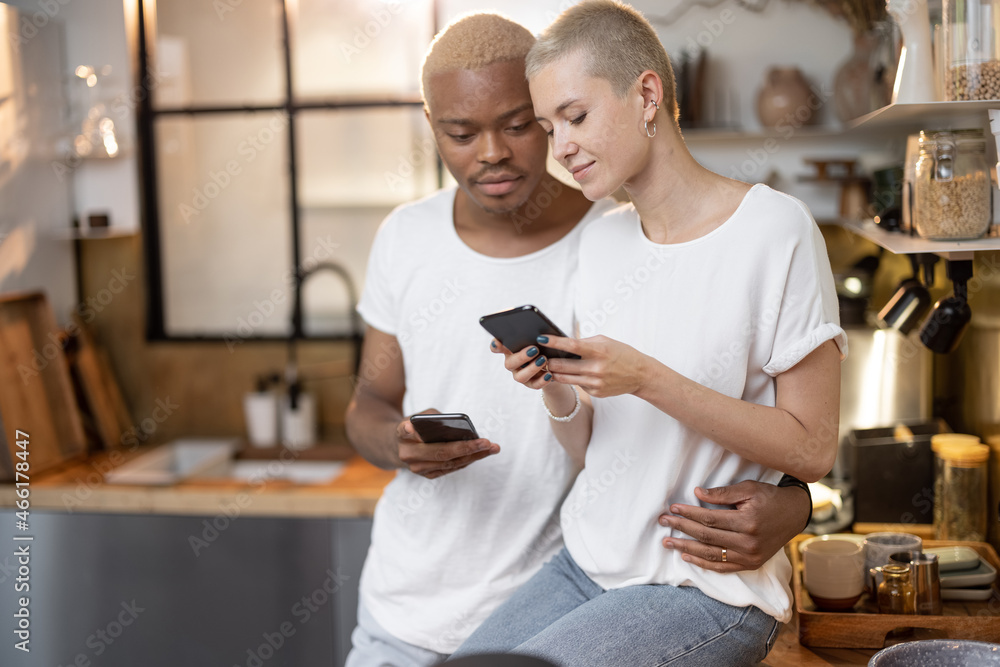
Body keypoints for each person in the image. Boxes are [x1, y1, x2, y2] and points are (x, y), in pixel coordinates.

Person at [344, 12, 815, 667]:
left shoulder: (646, 233)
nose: (493, 152)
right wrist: (404, 436)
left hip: (628, 582)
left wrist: (796, 502)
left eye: (523, 124)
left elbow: (793, 435)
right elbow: (370, 404)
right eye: (461, 131)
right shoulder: (419, 236)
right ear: (433, 128)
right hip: (441, 597)